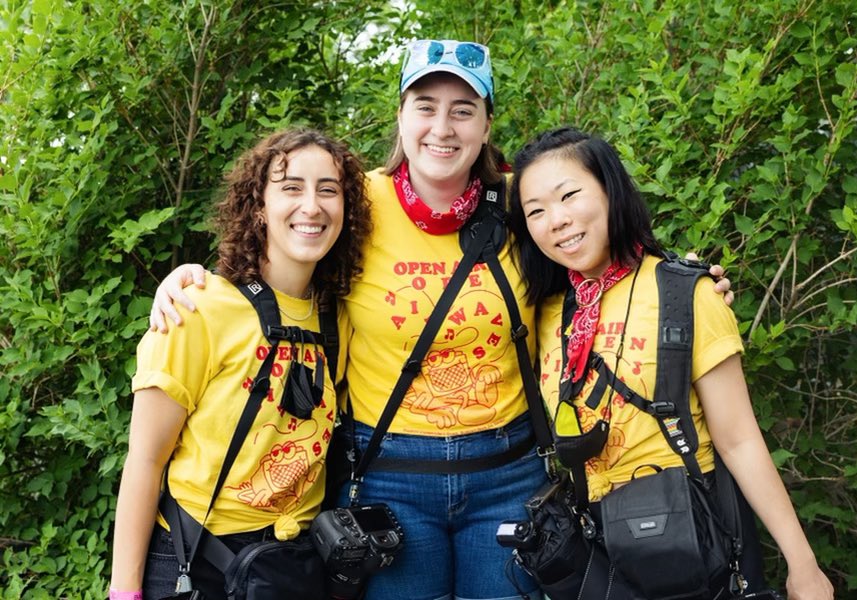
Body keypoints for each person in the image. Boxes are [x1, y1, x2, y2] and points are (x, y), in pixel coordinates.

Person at [147, 41, 732, 600]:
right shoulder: (356, 202)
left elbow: (597, 252)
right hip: (387, 474)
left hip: (508, 473)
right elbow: (282, 244)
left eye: (463, 109)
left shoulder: (521, 203)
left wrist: (683, 285)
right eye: (425, 107)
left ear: (486, 124)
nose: (443, 127)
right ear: (401, 118)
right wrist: (192, 277)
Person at [508, 127, 834, 600]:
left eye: (569, 195)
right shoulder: (546, 311)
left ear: (611, 190)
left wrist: (803, 566)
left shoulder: (686, 293)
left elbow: (739, 440)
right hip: (599, 554)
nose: (556, 220)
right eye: (535, 210)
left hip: (692, 540)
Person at [109, 128, 371, 600]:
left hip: (293, 567)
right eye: (291, 187)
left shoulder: (338, 318)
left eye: (328, 190)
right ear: (259, 206)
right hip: (195, 564)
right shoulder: (196, 308)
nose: (311, 206)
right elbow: (145, 460)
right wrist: (124, 593)